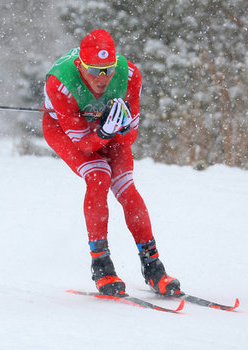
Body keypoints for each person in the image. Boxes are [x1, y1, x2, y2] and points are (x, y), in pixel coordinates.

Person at [42, 29, 180, 297]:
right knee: (98, 175)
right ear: (81, 65)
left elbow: (131, 137)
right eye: (95, 70)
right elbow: (83, 144)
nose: (102, 78)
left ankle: (153, 266)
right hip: (66, 130)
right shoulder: (60, 82)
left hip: (107, 130)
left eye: (108, 70)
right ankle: (101, 264)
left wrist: (120, 128)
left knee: (126, 187)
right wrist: (103, 131)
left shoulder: (129, 76)